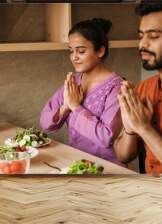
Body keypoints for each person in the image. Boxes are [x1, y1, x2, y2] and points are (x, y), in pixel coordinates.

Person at [40, 18, 124, 165]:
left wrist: (76, 107)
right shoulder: (73, 81)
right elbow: (45, 123)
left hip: (106, 169)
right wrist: (66, 107)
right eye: (71, 51)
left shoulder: (117, 88)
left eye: (81, 51)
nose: (74, 57)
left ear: (100, 51)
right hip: (76, 164)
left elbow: (106, 137)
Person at [114, 4, 162, 175]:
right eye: (141, 36)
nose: (142, 44)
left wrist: (145, 128)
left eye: (153, 36)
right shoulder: (144, 87)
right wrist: (130, 128)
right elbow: (123, 155)